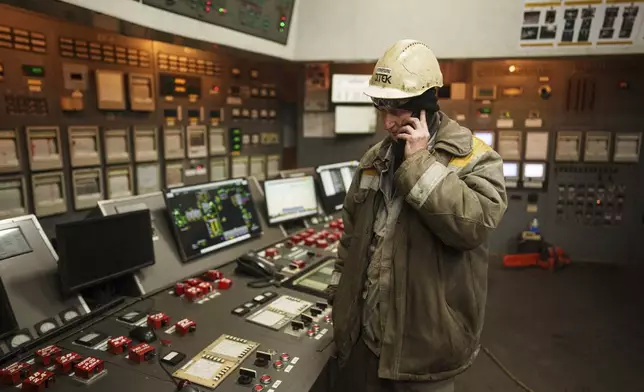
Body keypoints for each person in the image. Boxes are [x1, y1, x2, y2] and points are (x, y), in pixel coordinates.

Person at [327, 39, 508, 392]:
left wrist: (420, 164)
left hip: (425, 349)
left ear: (424, 105)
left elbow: (474, 227)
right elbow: (351, 236)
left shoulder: (475, 158)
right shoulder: (373, 160)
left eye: (397, 112)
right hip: (366, 339)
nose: (387, 124)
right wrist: (339, 295)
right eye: (383, 110)